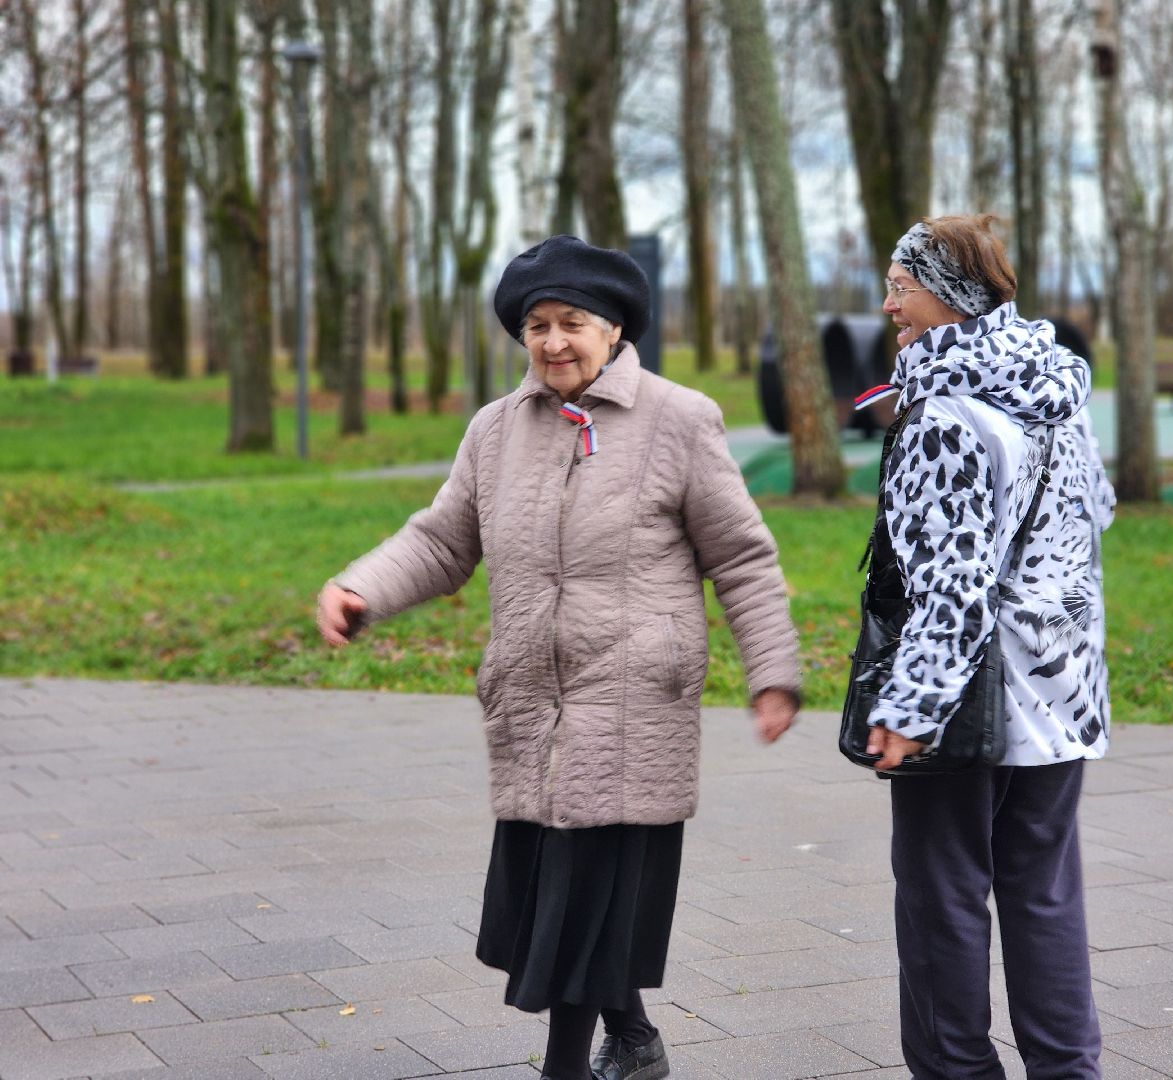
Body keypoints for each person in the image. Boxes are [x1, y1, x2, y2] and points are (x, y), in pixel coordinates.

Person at [316, 234, 801, 1080]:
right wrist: (364, 589)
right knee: (559, 901)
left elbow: (742, 557)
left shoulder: (678, 420)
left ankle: (565, 1071)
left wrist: (772, 673)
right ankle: (638, 1038)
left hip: (630, 704)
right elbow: (442, 541)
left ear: (614, 329)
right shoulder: (496, 430)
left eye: (571, 322)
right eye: (536, 325)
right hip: (533, 703)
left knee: (581, 902)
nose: (552, 343)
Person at [863, 214, 1115, 1079]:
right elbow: (1098, 514)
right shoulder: (1057, 393)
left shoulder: (944, 416)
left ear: (950, 297)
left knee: (942, 904)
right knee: (1045, 897)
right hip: (1063, 696)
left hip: (969, 707)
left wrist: (909, 712)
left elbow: (953, 585)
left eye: (901, 286)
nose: (888, 304)